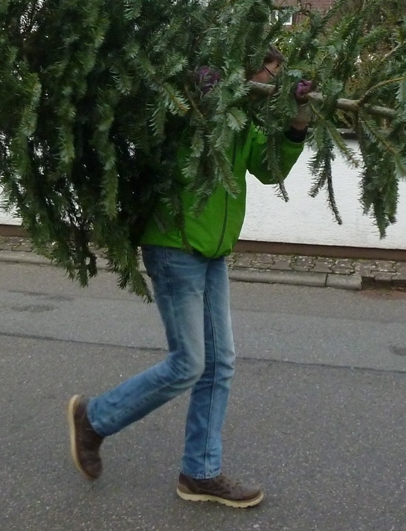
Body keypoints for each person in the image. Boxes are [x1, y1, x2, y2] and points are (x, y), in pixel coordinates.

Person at [67, 47, 312, 508]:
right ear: (247, 65)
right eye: (269, 73)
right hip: (174, 243)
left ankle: (200, 473)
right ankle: (94, 418)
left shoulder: (245, 118)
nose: (272, 84)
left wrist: (299, 118)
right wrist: (196, 97)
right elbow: (151, 139)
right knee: (189, 364)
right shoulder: (190, 101)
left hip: (213, 251)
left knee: (219, 365)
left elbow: (270, 169)